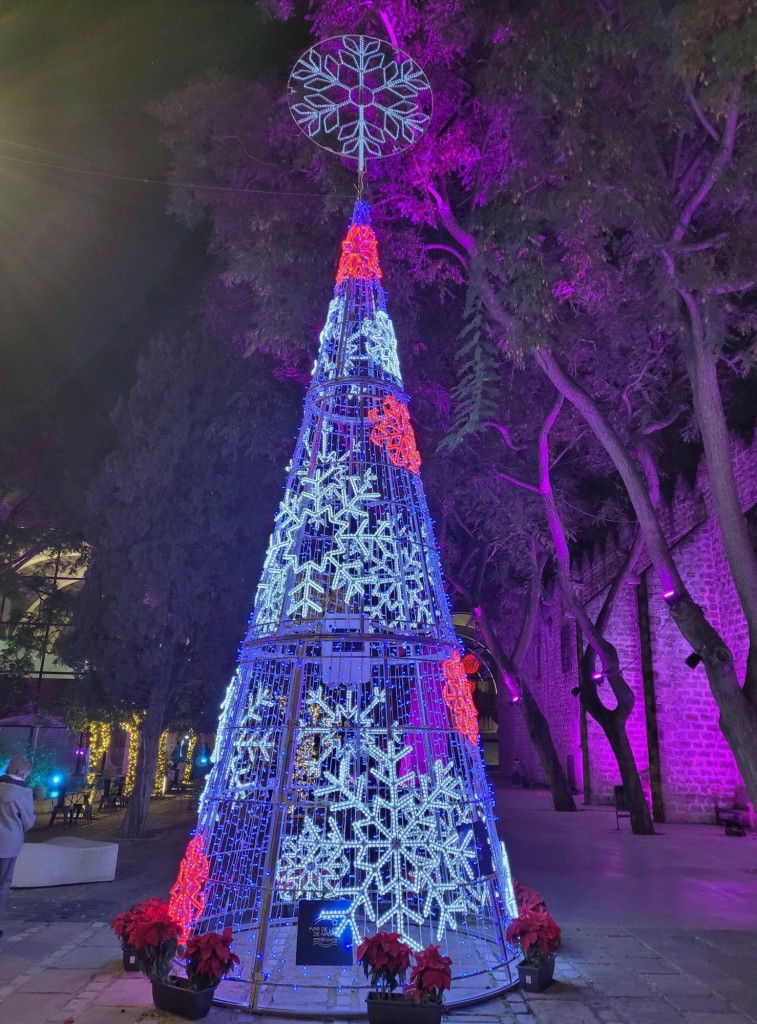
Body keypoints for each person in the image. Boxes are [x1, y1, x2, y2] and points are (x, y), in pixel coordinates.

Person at [0, 755, 36, 937]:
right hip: (8, 844)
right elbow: (28, 821)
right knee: (3, 883)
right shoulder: (23, 793)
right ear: (23, 772)